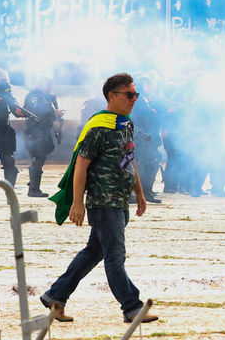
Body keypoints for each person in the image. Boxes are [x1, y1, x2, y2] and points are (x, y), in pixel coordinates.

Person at [42, 73, 159, 324]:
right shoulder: (99, 126)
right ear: (111, 96)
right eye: (129, 95)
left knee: (93, 252)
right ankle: (132, 307)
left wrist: (139, 192)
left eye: (135, 94)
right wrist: (77, 202)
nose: (134, 99)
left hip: (119, 200)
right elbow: (81, 165)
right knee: (115, 258)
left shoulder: (124, 123)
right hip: (104, 203)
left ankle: (56, 296)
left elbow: (129, 159)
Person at [23, 76, 65, 198]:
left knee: (39, 157)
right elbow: (34, 110)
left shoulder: (46, 97)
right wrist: (53, 113)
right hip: (35, 130)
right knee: (38, 157)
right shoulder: (33, 96)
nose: (50, 89)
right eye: (49, 86)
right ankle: (34, 189)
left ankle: (33, 183)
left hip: (42, 130)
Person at [130, 74, 162, 203]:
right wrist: (152, 113)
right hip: (140, 136)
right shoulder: (139, 98)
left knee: (150, 161)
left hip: (145, 136)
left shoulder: (145, 98)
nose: (151, 86)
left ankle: (145, 191)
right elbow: (141, 116)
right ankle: (141, 192)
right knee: (143, 163)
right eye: (148, 84)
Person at [0, 68, 26, 188]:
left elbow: (14, 107)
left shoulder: (6, 91)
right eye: (2, 79)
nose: (4, 81)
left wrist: (20, 112)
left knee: (9, 160)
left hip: (3, 128)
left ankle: (10, 191)